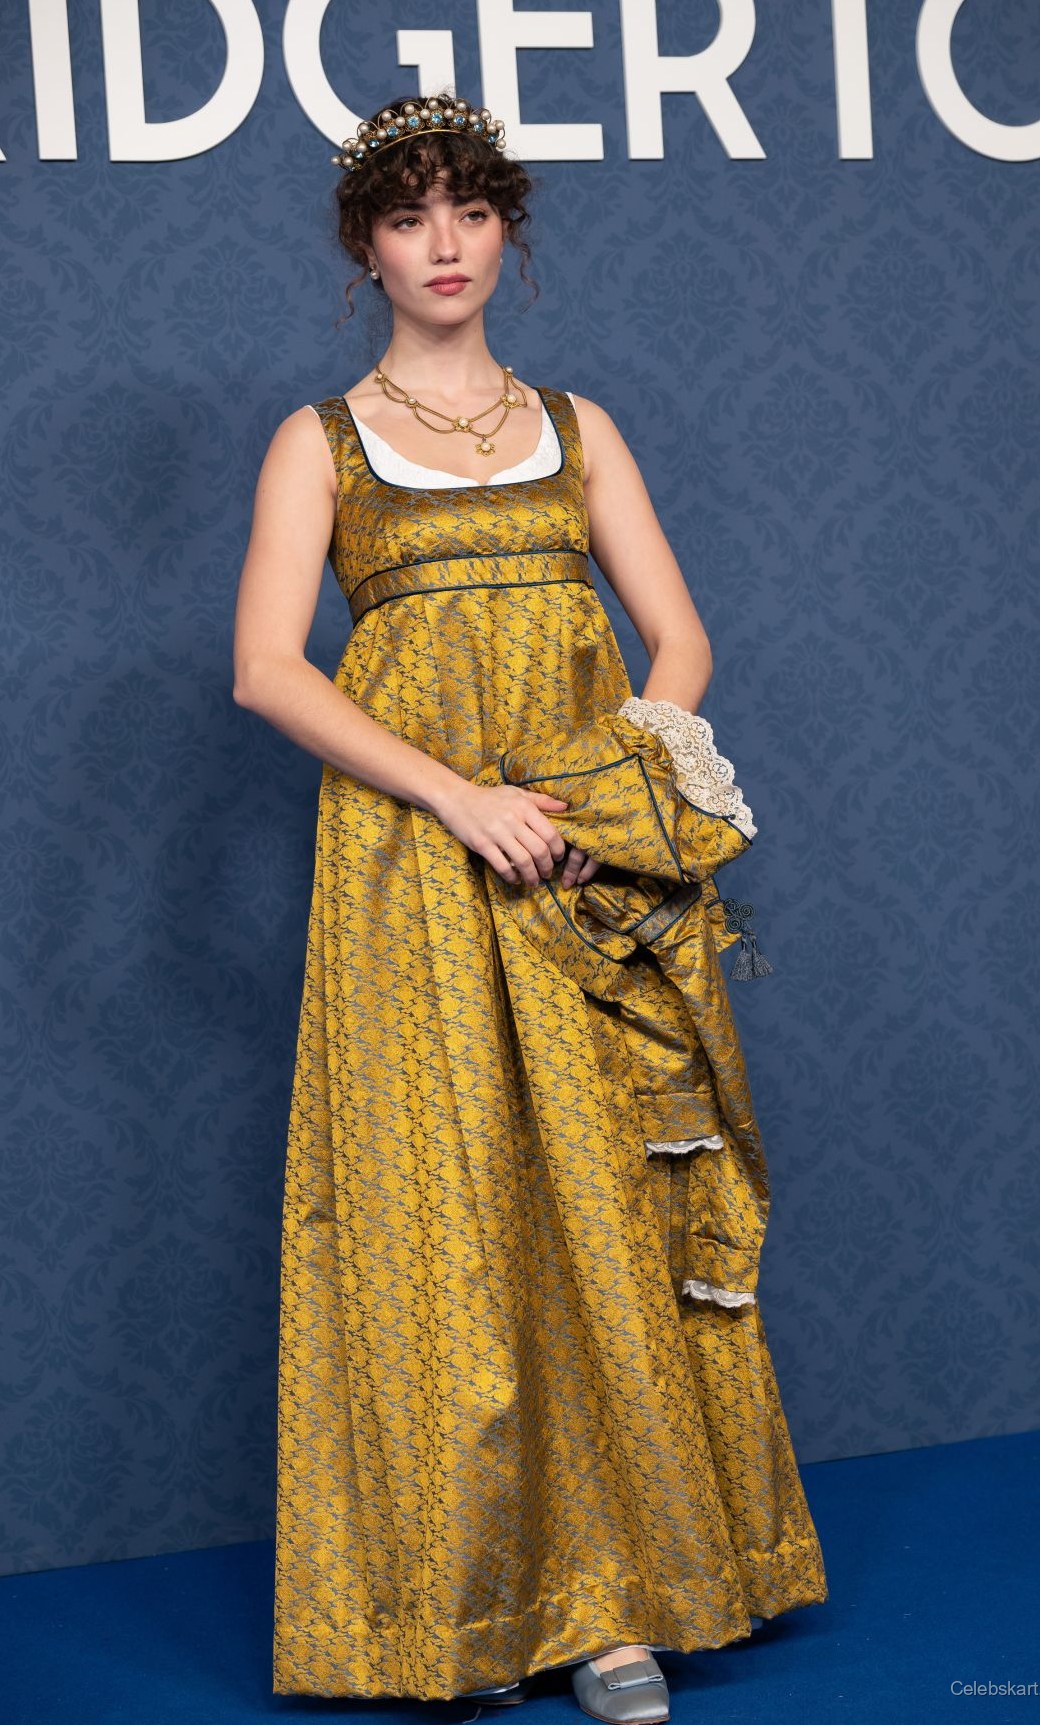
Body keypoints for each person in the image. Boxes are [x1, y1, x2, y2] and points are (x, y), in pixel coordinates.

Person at [233, 89, 828, 1722]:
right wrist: (458, 797)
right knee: (442, 1219)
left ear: (506, 230)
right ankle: (452, 1610)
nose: (442, 243)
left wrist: (600, 793)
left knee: (597, 1212)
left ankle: (614, 1606)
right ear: (365, 246)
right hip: (412, 875)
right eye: (406, 215)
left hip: (577, 868)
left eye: (470, 210)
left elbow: (679, 642)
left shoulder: (579, 424)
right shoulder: (321, 442)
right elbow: (268, 668)